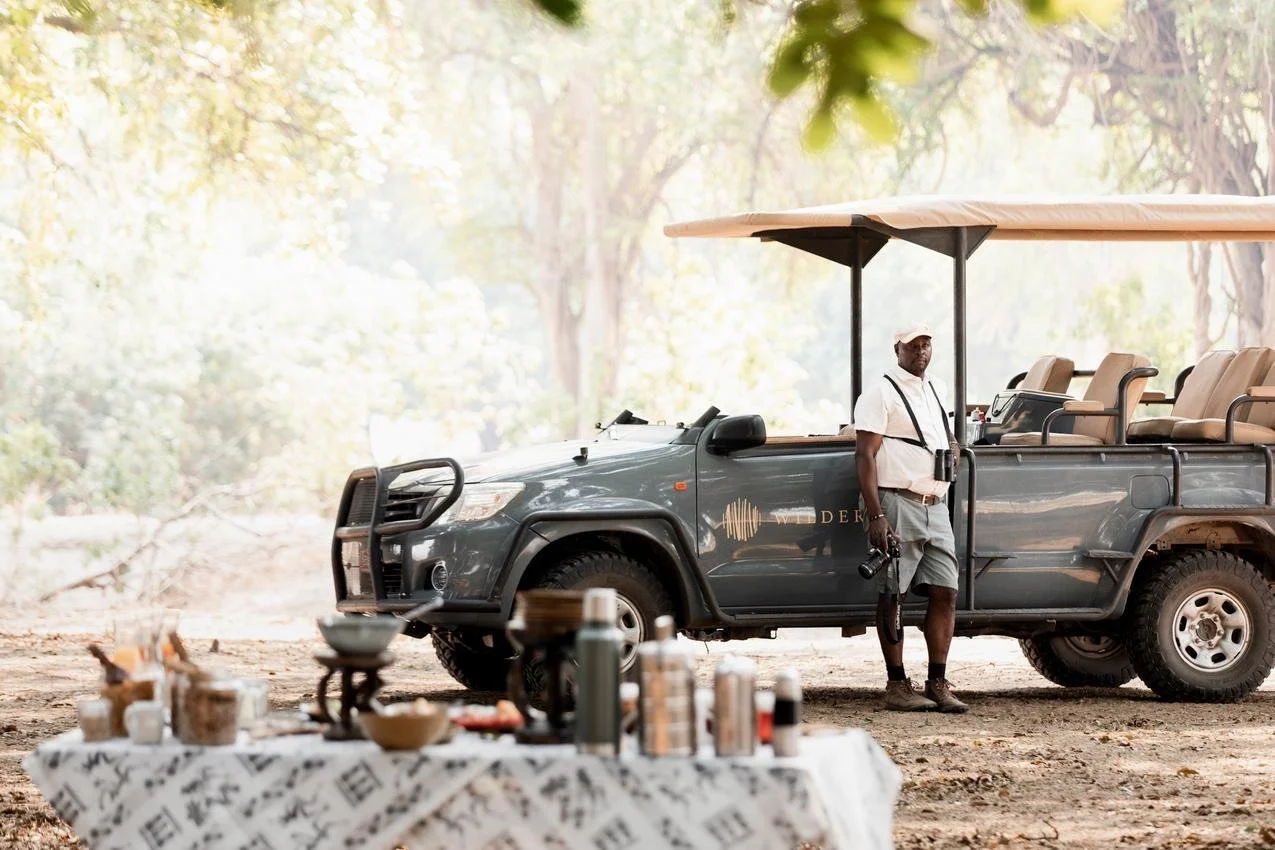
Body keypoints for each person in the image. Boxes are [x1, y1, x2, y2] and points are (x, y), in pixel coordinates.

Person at [853, 324, 968, 713]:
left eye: (927, 343)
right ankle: (897, 684)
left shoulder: (936, 387)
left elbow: (941, 434)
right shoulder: (879, 393)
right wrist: (877, 515)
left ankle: (938, 681)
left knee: (945, 591)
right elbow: (864, 456)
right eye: (914, 345)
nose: (922, 350)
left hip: (935, 503)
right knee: (892, 594)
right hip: (898, 501)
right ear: (897, 348)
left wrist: (951, 447)